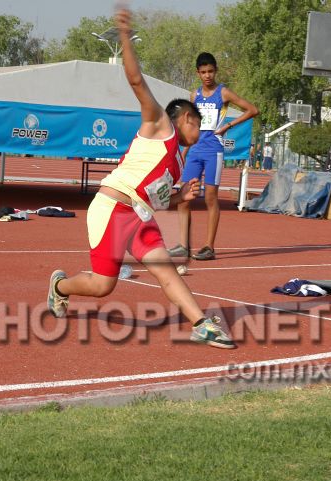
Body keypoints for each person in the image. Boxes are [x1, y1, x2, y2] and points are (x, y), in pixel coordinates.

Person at [47, 5, 235, 349]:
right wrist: (124, 36)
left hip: (139, 216)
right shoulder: (160, 124)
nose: (200, 132)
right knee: (103, 286)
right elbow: (135, 80)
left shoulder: (177, 160)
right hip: (112, 209)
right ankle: (60, 286)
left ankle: (202, 324)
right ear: (186, 119)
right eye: (197, 125)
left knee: (165, 268)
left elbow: (156, 199)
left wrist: (179, 197)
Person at [168, 52, 259, 261]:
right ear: (197, 73)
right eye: (203, 72)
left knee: (210, 198)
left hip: (213, 151)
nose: (207, 75)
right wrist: (185, 149)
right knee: (184, 197)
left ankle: (209, 246)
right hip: (195, 151)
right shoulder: (194, 96)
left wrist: (228, 125)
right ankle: (183, 245)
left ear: (215, 71)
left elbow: (252, 110)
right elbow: (190, 124)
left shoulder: (223, 92)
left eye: (210, 71)